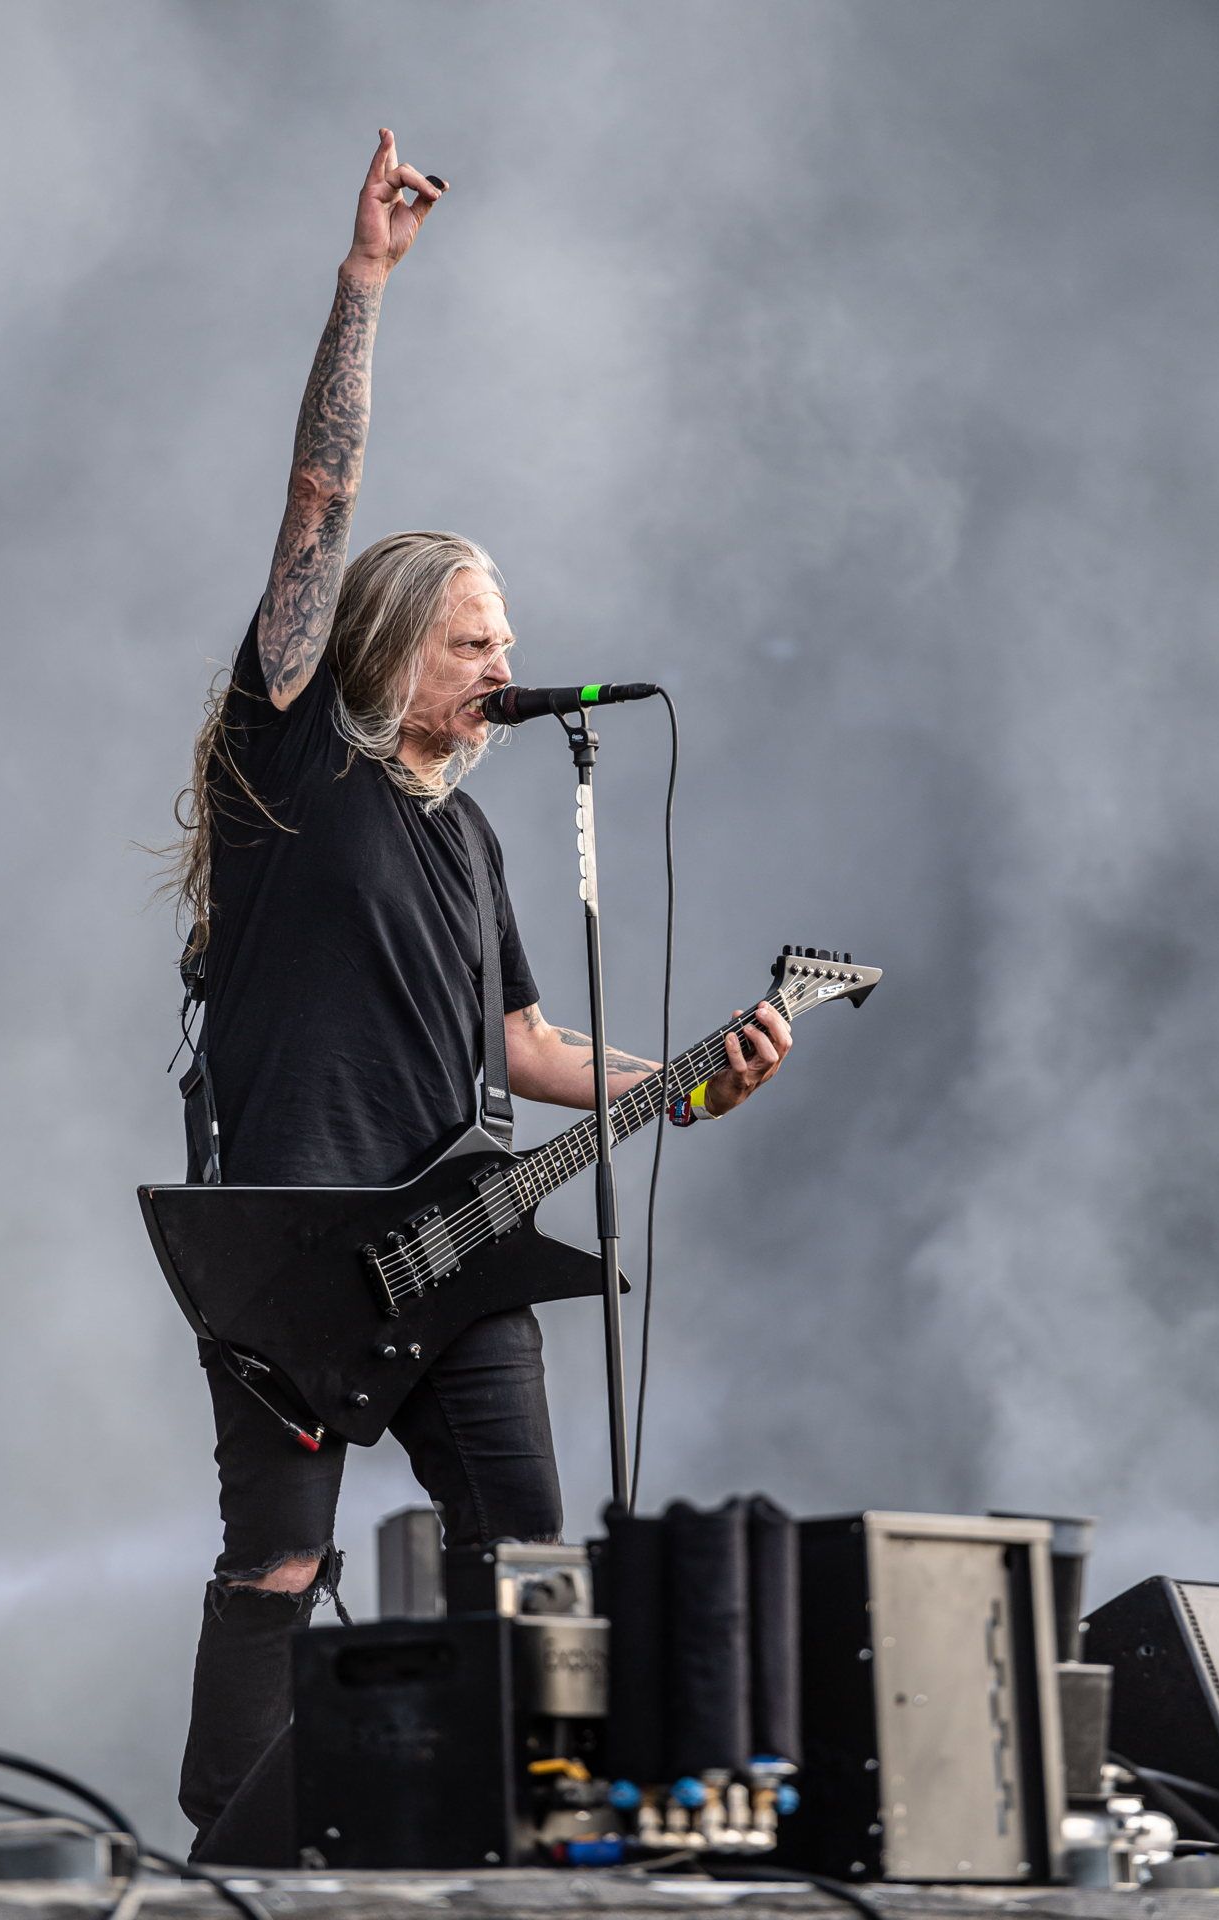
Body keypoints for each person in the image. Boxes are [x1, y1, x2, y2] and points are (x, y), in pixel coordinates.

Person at [166, 127, 792, 1851]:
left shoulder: (473, 835)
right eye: (474, 640)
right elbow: (318, 505)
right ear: (387, 647)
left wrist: (692, 1078)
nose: (508, 664)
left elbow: (522, 1042)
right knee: (281, 1556)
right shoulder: (295, 754)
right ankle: (226, 1850)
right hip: (291, 1235)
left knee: (527, 1550)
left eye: (509, 641)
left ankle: (532, 1828)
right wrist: (363, 287)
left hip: (454, 1236)